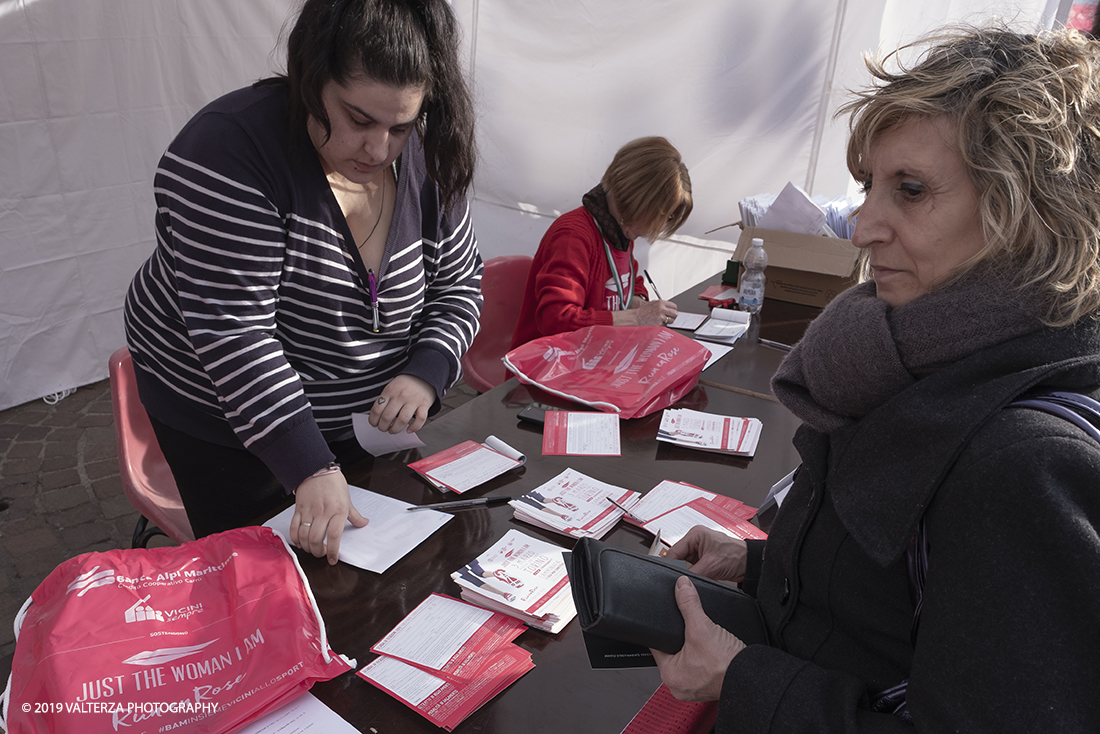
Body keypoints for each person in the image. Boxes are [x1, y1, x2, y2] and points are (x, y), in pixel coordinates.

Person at [652, 26, 1100, 731]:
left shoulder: (1024, 464)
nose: (862, 228)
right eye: (870, 187)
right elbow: (919, 606)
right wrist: (762, 566)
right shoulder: (927, 353)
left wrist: (743, 677)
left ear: (1025, 216)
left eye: (911, 190)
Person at [123, 0, 482, 564]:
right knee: (265, 579)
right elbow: (235, 335)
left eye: (401, 126)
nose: (378, 149)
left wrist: (427, 370)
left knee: (372, 568)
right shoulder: (228, 151)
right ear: (311, 77)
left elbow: (458, 284)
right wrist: (308, 464)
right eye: (358, 119)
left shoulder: (432, 153)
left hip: (362, 421)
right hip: (230, 416)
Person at [509, 136, 692, 349]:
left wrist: (638, 300)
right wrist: (637, 317)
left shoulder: (620, 230)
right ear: (639, 202)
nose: (659, 226)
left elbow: (627, 280)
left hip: (595, 357)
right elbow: (557, 320)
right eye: (662, 216)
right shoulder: (573, 236)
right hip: (548, 369)